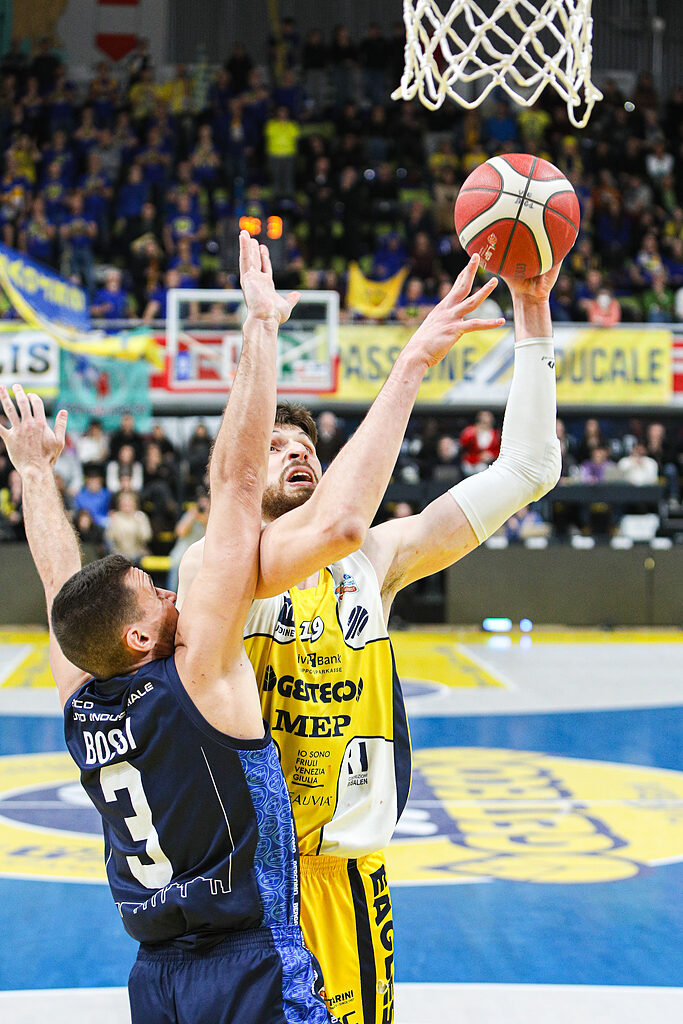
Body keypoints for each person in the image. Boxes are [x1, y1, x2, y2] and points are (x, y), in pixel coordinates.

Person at [179, 255, 563, 1024]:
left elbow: (528, 467)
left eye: (305, 445)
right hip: (250, 883)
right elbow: (291, 505)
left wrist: (531, 313)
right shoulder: (211, 571)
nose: (297, 452)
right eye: (274, 446)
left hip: (351, 879)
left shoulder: (371, 562)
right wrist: (399, 356)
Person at [0, 231, 334, 1024]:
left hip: (155, 980)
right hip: (249, 961)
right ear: (140, 640)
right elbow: (237, 484)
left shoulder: (82, 697)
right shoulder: (200, 671)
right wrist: (260, 327)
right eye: (154, 592)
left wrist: (36, 472)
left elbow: (59, 586)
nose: (171, 591)